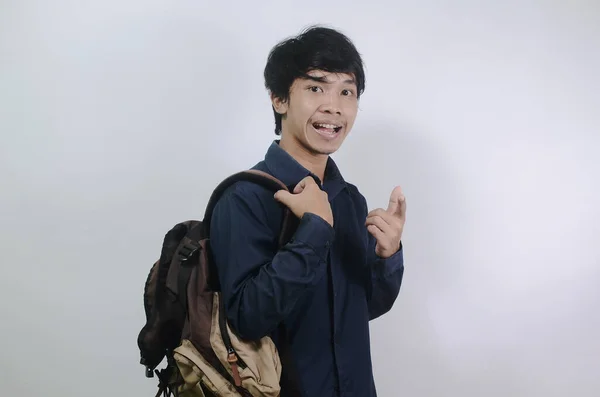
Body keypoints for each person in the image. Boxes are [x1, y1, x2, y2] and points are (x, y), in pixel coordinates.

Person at [209, 25, 406, 397]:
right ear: (279, 99)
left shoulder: (349, 199)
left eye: (346, 91)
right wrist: (314, 230)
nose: (334, 106)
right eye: (316, 88)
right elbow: (247, 318)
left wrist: (387, 255)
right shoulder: (245, 197)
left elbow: (361, 309)